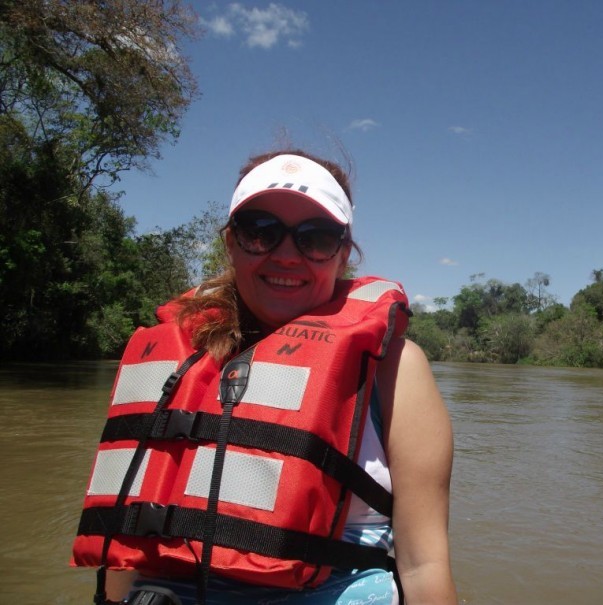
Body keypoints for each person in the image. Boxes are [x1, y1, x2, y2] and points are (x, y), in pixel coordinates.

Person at [72, 150, 457, 605]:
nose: (287, 255)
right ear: (231, 242)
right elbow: (130, 544)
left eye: (314, 238)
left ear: (343, 254)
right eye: (261, 232)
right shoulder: (175, 364)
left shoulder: (396, 370)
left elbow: (424, 564)